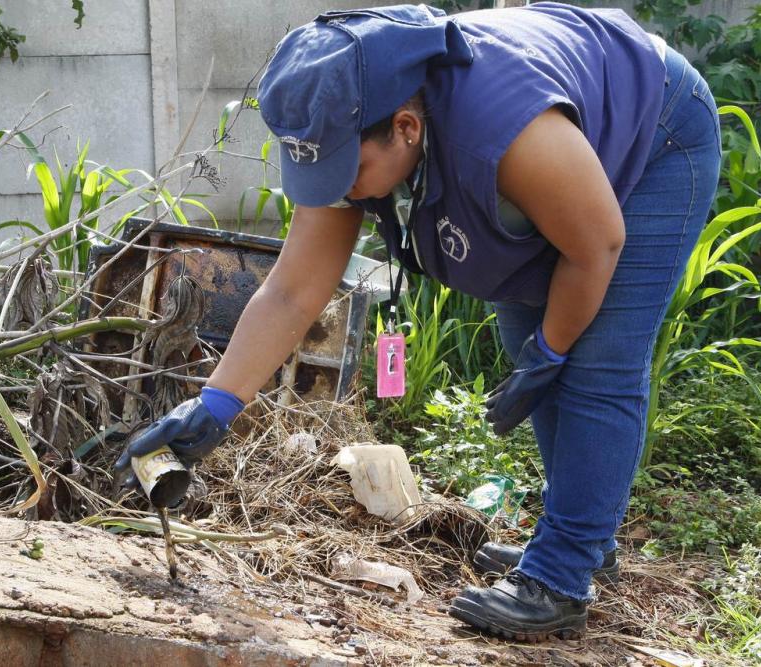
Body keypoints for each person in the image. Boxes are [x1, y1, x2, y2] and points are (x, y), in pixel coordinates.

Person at [114, 2, 721, 641]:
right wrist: (215, 405)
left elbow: (596, 245)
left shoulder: (500, 129)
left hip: (658, 132)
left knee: (595, 356)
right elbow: (292, 293)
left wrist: (554, 347)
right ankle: (584, 539)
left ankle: (562, 577)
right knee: (527, 339)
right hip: (556, 148)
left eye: (345, 173)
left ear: (405, 127)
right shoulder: (352, 126)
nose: (338, 191)